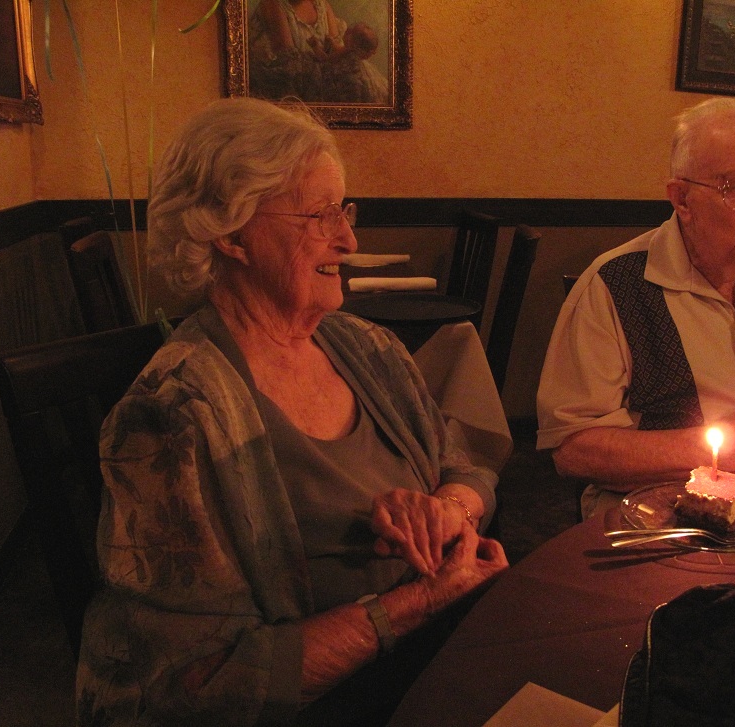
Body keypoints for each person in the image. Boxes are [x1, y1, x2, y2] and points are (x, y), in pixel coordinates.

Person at [75, 97, 508, 726]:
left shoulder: (368, 348)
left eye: (344, 211)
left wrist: (446, 510)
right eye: (319, 214)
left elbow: (466, 467)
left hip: (440, 655)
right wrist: (419, 602)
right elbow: (202, 682)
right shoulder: (171, 419)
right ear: (230, 234)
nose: (348, 240)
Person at [536, 97, 735, 519]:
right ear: (682, 200)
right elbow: (573, 449)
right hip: (662, 523)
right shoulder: (615, 286)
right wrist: (720, 450)